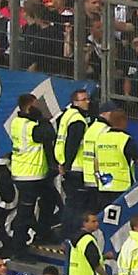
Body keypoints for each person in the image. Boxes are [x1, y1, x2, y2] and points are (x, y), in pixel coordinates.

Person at [5, 94, 54, 248]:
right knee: (24, 214)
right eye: (36, 105)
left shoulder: (16, 122)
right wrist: (43, 117)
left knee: (50, 200)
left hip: (32, 174)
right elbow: (48, 134)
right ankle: (19, 248)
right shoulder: (30, 126)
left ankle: (42, 232)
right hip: (29, 176)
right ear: (29, 107)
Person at [55, 87, 96, 229]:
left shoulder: (67, 115)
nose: (87, 102)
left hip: (66, 165)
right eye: (84, 99)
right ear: (75, 102)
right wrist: (66, 166)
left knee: (71, 203)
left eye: (88, 98)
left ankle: (67, 232)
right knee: (76, 205)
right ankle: (70, 233)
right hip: (76, 167)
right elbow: (72, 145)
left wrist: (62, 164)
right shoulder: (78, 120)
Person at [82, 104, 136, 197]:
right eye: (112, 113)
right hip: (106, 180)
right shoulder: (104, 130)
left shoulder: (93, 127)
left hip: (92, 177)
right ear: (105, 114)